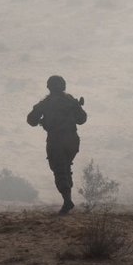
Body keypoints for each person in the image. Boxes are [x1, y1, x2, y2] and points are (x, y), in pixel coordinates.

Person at [26, 75, 87, 214]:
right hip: (72, 140)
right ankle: (68, 198)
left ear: (49, 87)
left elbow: (31, 120)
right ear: (63, 86)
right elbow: (82, 119)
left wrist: (42, 119)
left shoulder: (45, 103)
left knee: (60, 170)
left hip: (56, 140)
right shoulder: (71, 101)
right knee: (65, 167)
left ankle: (67, 201)